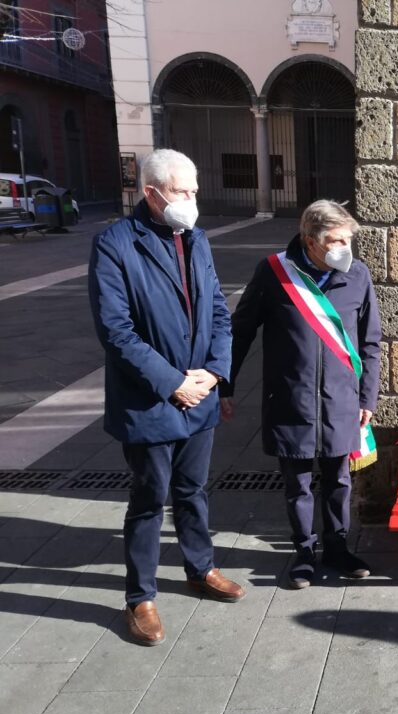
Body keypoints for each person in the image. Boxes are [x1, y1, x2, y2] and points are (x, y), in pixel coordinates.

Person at [88, 148, 245, 647]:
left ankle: (201, 569)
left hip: (198, 393)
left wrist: (214, 373)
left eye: (195, 190)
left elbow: (220, 311)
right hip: (149, 400)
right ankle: (141, 598)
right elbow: (116, 330)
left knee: (193, 492)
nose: (192, 200)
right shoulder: (115, 244)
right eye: (183, 192)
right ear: (151, 193)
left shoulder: (195, 239)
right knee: (149, 500)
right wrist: (171, 381)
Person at [220, 200, 381, 590]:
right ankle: (304, 553)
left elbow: (371, 342)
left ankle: (338, 548)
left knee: (339, 480)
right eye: (337, 240)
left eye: (348, 239)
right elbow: (240, 332)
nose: (346, 247)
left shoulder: (358, 276)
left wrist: (367, 398)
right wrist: (226, 384)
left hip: (341, 401)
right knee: (298, 484)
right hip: (290, 400)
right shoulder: (274, 273)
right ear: (310, 241)